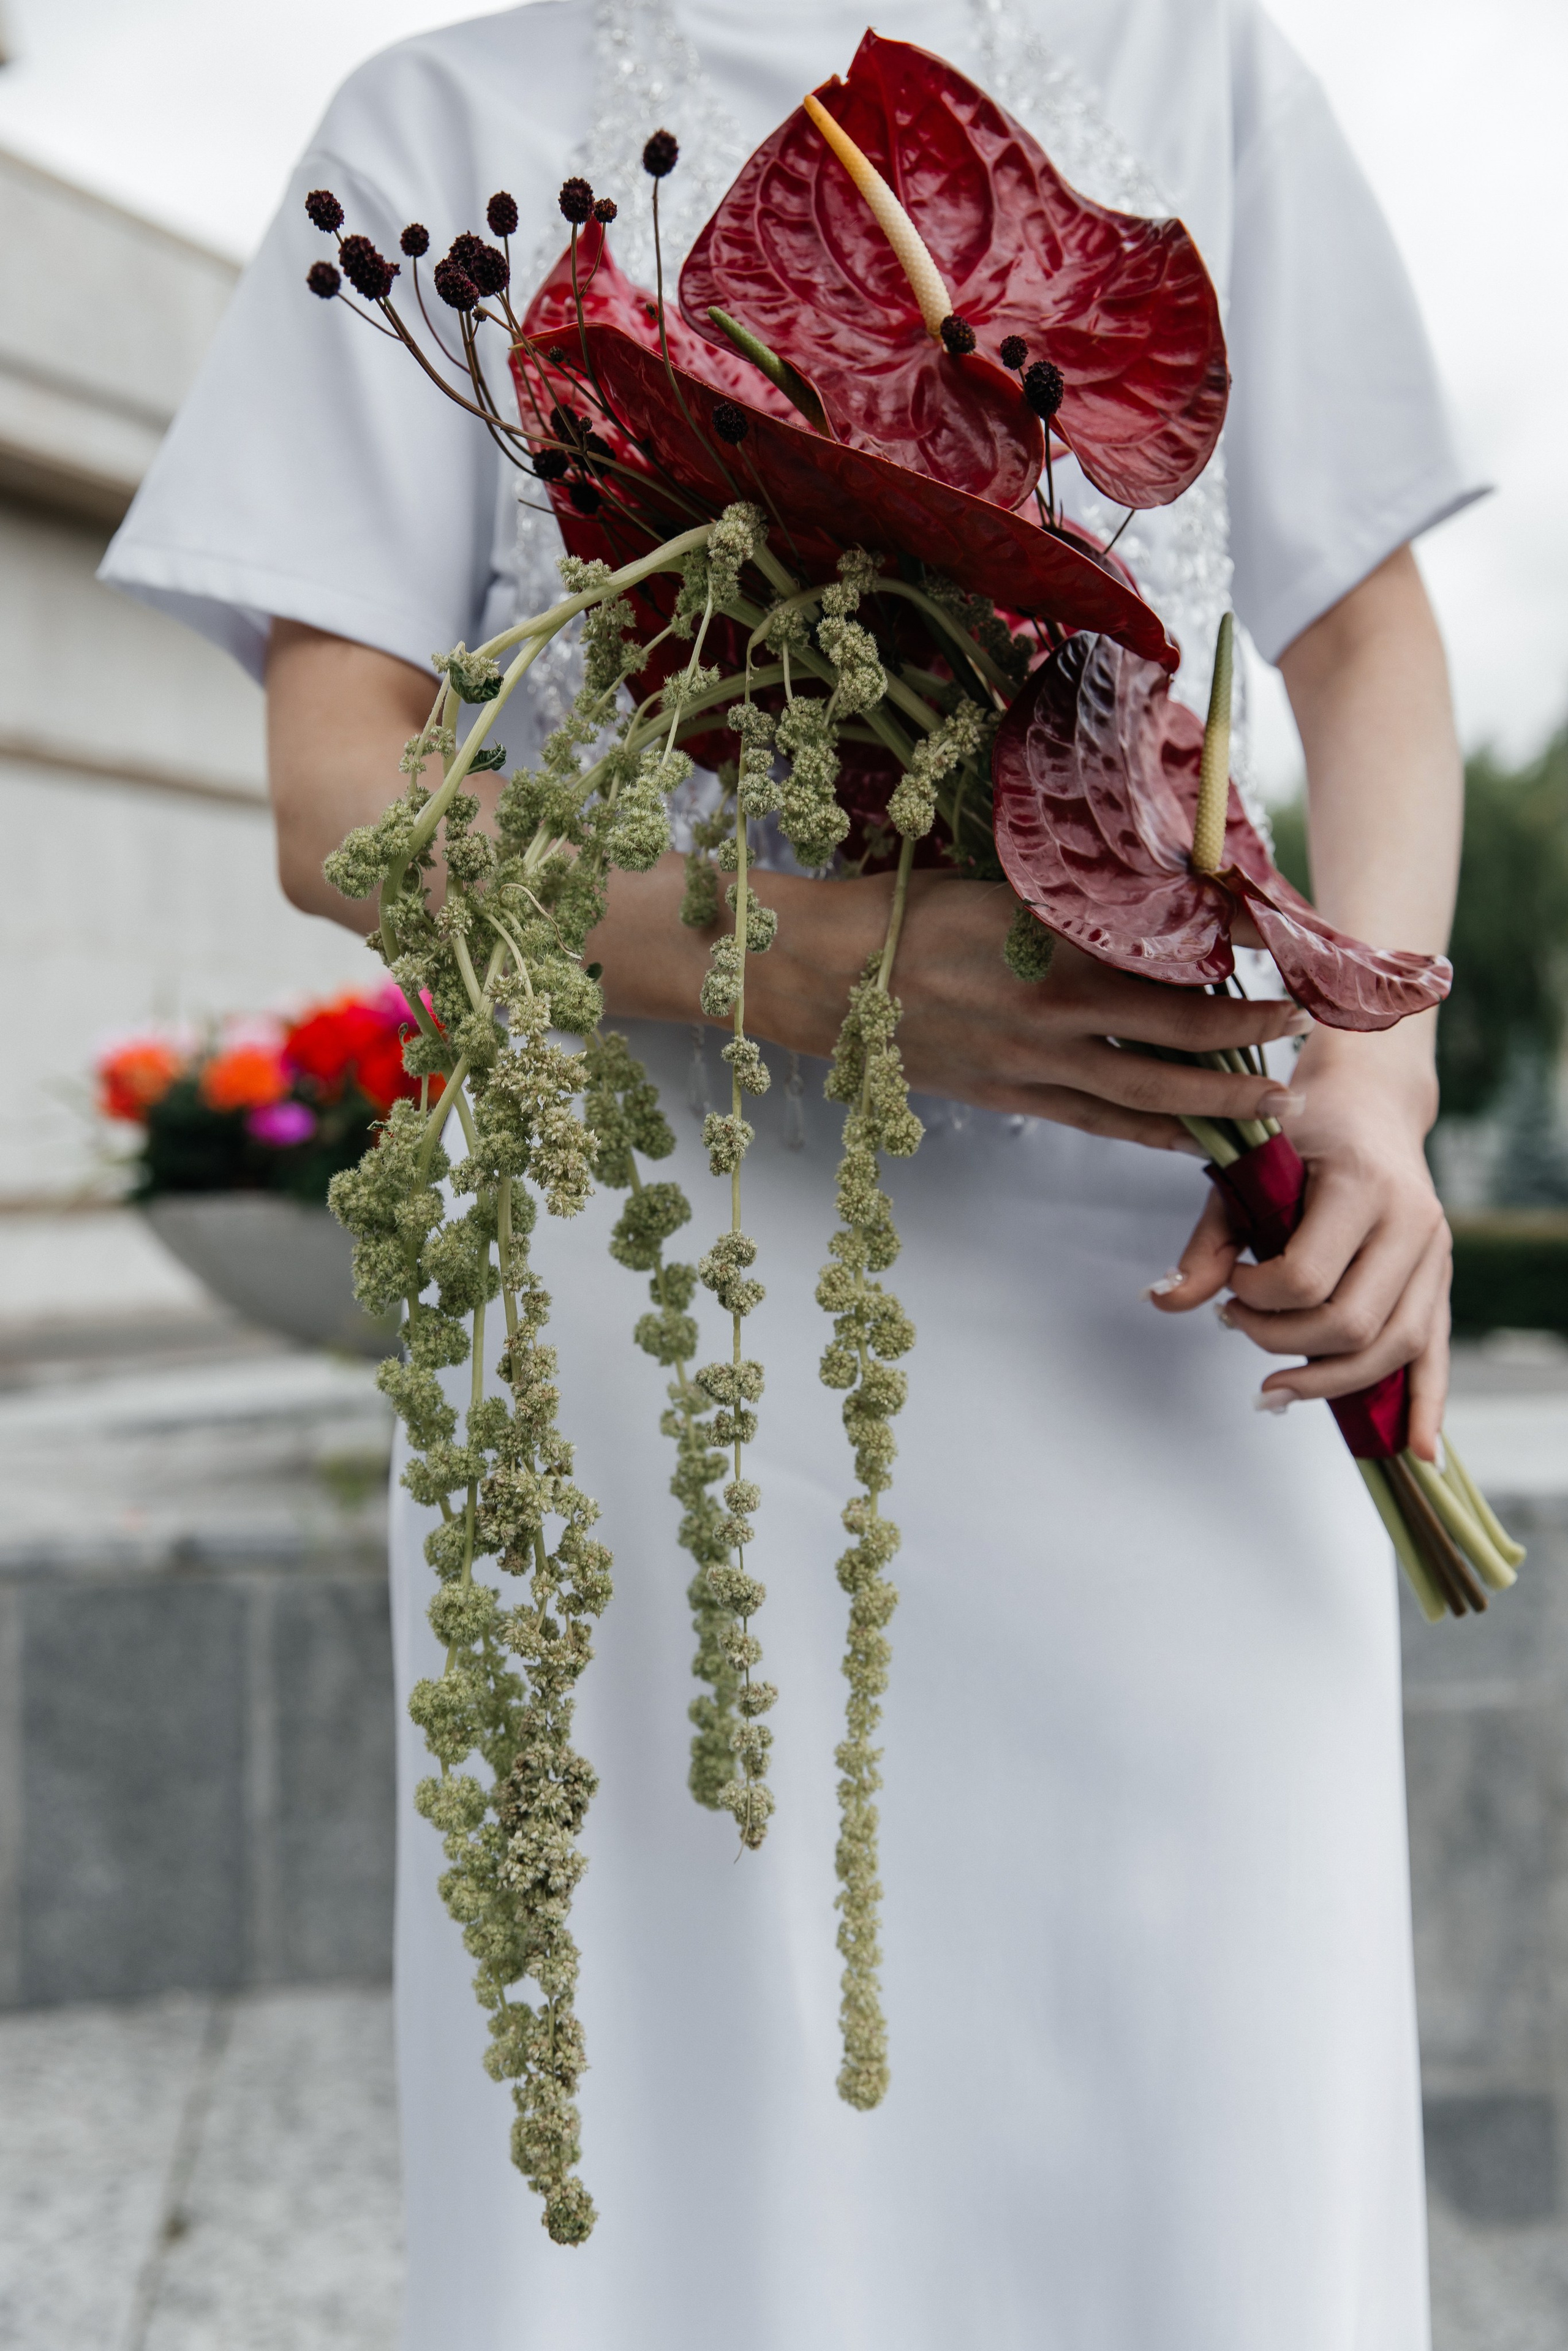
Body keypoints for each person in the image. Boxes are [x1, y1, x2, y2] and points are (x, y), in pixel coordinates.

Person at [102, 4, 1482, 2344]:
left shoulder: (1202, 66)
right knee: (707, 2141)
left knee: (1198, 2122)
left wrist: (1376, 1096)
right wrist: (828, 966)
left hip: (1171, 1281)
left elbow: (1367, 640)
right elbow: (347, 802)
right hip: (674, 1319)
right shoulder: (438, 130)